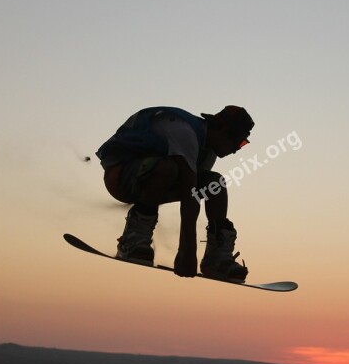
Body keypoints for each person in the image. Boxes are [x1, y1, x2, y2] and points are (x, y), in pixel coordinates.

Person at [95, 105, 254, 280]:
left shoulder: (207, 150)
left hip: (148, 178)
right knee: (168, 169)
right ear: (224, 130)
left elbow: (193, 194)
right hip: (119, 177)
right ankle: (133, 240)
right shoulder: (184, 132)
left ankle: (216, 259)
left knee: (215, 183)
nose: (237, 149)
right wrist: (187, 253)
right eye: (240, 142)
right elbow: (189, 198)